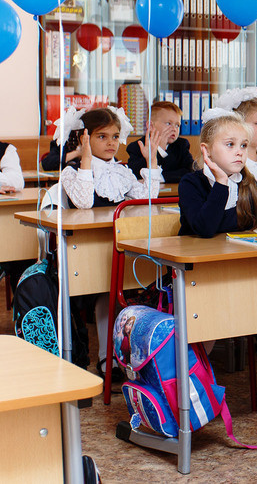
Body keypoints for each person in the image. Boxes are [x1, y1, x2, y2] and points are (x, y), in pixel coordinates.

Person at [177, 110, 257, 417]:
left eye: (243, 146)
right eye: (230, 144)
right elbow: (204, 228)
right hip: (203, 278)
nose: (239, 152)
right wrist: (221, 184)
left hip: (242, 271)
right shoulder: (192, 183)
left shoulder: (247, 183)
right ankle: (191, 394)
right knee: (207, 323)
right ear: (206, 150)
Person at [54, 106, 163, 381]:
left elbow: (147, 199)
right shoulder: (72, 171)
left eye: (115, 136)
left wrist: (151, 161)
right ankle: (106, 358)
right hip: (88, 252)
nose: (111, 143)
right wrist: (86, 159)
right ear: (84, 138)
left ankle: (128, 357)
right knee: (105, 292)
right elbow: (84, 202)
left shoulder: (121, 170)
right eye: (102, 136)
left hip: (118, 246)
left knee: (120, 290)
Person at [126, 100, 194, 183]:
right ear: (150, 126)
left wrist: (160, 177)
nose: (174, 129)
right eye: (168, 123)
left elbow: (191, 171)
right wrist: (159, 149)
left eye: (177, 125)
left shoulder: (181, 145)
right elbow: (135, 174)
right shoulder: (138, 146)